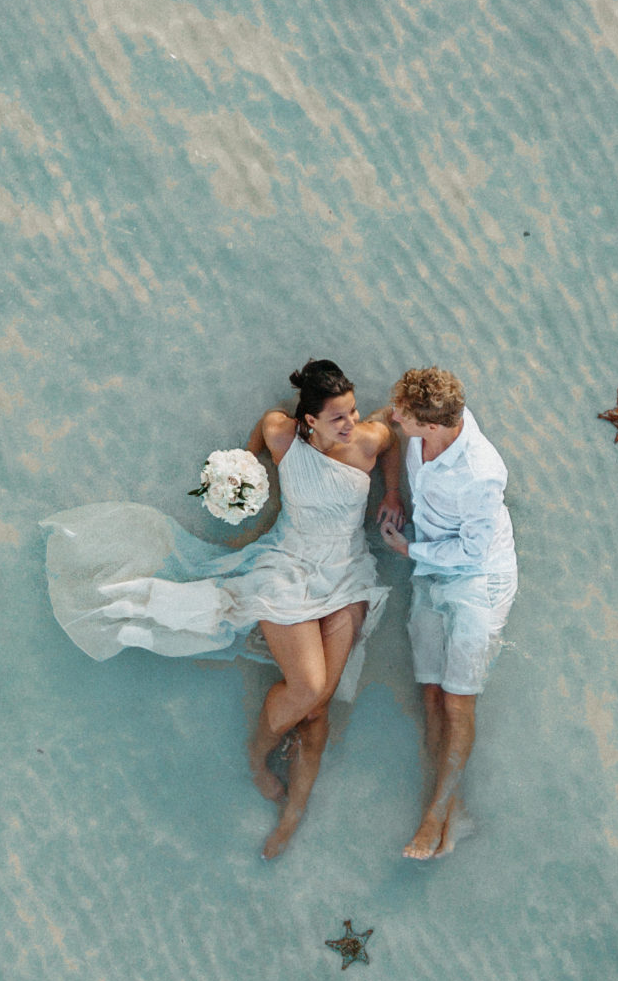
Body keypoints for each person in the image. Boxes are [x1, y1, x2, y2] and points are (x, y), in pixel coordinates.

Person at [42, 361, 394, 857]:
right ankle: (257, 755)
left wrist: (394, 495)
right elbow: (256, 442)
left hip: (347, 575)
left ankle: (293, 815)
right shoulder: (281, 434)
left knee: (316, 708)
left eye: (354, 410)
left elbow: (391, 441)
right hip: (287, 570)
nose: (351, 423)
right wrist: (242, 475)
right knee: (310, 688)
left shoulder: (367, 440)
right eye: (338, 417)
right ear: (308, 420)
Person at [376, 367, 516, 860]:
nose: (394, 418)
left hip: (479, 579)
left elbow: (475, 552)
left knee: (458, 701)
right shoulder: (425, 429)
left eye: (403, 416)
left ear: (431, 426)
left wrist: (409, 553)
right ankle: (449, 803)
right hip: (430, 563)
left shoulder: (482, 472)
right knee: (431, 691)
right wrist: (393, 492)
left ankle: (436, 815)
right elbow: (389, 432)